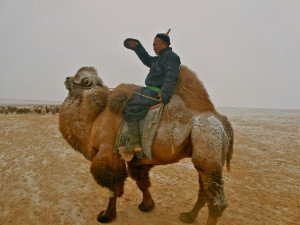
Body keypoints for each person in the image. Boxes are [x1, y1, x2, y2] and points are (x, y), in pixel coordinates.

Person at [120, 29, 181, 160]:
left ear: (164, 44)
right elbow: (147, 59)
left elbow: (172, 76)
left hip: (155, 92)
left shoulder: (171, 57)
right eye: (153, 45)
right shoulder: (158, 59)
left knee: (129, 107)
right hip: (148, 90)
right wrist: (137, 47)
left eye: (156, 44)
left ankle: (134, 143)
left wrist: (165, 93)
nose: (153, 47)